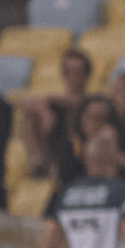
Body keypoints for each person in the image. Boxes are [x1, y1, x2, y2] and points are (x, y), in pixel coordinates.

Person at [21, 49, 92, 177]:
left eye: (76, 72)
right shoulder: (56, 104)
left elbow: (77, 101)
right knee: (31, 115)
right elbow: (24, 103)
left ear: (86, 75)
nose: (71, 77)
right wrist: (44, 111)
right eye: (67, 72)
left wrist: (46, 105)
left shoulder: (91, 101)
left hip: (80, 152)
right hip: (55, 150)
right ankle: (38, 162)